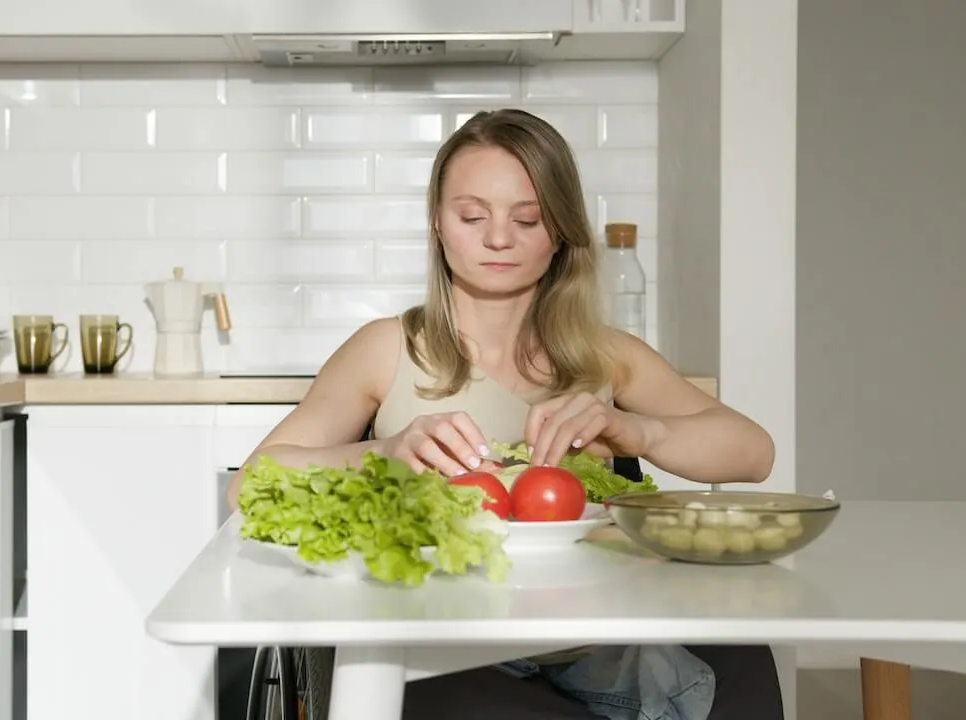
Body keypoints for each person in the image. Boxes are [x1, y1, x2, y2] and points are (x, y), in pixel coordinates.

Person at [224, 108, 784, 719]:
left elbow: (753, 453)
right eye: (471, 216)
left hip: (589, 638)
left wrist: (637, 429)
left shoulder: (607, 355)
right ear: (438, 223)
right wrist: (381, 454)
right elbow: (250, 484)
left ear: (562, 231)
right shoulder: (387, 348)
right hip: (443, 644)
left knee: (743, 652)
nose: (497, 239)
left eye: (527, 219)